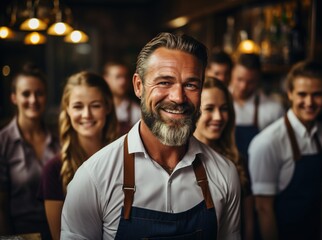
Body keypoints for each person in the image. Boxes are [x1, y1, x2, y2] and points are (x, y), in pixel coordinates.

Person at [61, 32, 241, 240]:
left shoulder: (225, 174)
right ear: (138, 86)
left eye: (191, 85)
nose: (178, 97)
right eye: (164, 82)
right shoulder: (92, 178)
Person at [248, 60, 322, 240]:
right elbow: (264, 209)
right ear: (290, 94)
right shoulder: (267, 142)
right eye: (302, 94)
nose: (309, 102)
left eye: (317, 94)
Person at [38, 71, 118, 240]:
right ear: (67, 109)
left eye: (95, 105)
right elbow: (59, 236)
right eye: (78, 106)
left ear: (108, 107)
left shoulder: (125, 158)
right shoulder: (54, 170)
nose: (86, 114)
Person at [0, 63, 60, 238]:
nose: (33, 100)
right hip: (19, 234)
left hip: (59, 231)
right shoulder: (3, 142)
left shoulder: (59, 138)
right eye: (26, 94)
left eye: (39, 93)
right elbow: (0, 206)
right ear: (14, 98)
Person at [193, 76, 254, 240]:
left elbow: (248, 222)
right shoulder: (180, 159)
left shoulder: (236, 159)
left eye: (224, 109)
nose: (219, 117)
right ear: (193, 110)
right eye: (209, 108)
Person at [231, 53, 283, 159]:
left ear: (258, 79)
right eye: (239, 79)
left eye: (250, 82)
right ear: (232, 73)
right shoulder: (217, 103)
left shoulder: (274, 109)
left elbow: (279, 147)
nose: (243, 86)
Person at [103, 61, 141, 136]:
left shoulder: (136, 111)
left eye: (125, 77)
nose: (123, 82)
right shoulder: (100, 107)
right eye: (118, 77)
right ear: (106, 79)